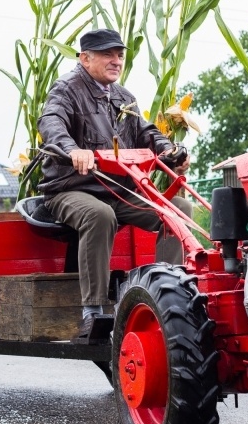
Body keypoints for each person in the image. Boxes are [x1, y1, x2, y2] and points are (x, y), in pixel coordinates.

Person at [37, 28, 191, 342]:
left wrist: (170, 151)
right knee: (100, 215)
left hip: (118, 191)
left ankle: (166, 296)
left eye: (119, 54)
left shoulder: (124, 97)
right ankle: (93, 310)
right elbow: (51, 124)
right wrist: (72, 151)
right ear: (85, 58)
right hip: (70, 189)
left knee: (178, 209)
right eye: (108, 54)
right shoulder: (65, 90)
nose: (116, 60)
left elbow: (148, 133)